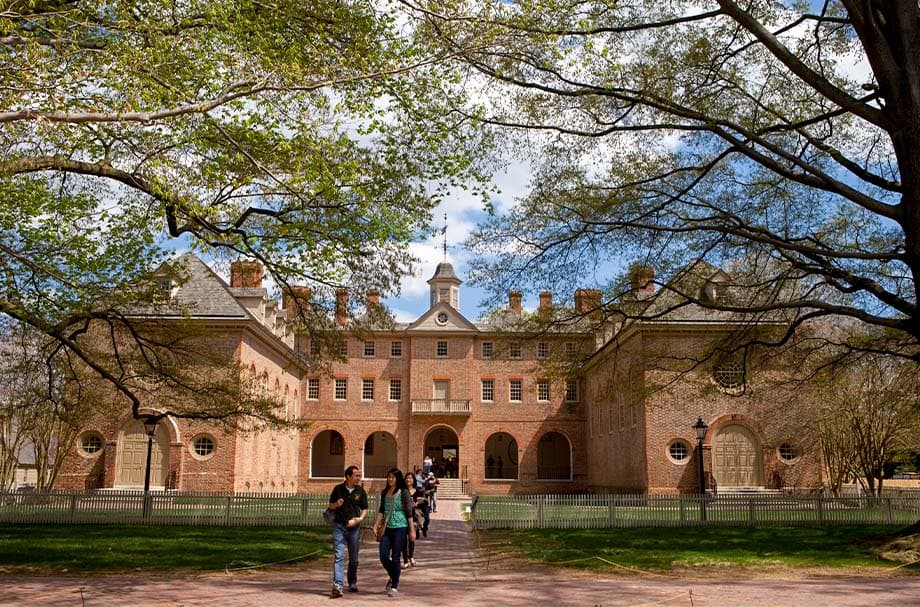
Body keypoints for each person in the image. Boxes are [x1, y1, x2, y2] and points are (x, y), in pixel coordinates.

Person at [372, 467, 415, 597]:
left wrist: (411, 530)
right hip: (386, 528)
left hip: (400, 528)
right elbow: (381, 510)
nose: (390, 479)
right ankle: (393, 574)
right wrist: (376, 525)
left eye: (393, 477)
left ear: (397, 479)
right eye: (389, 477)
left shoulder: (403, 492)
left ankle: (394, 585)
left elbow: (409, 512)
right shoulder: (385, 492)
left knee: (396, 557)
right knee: (383, 556)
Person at [328, 465, 368, 598]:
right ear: (348, 476)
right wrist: (336, 505)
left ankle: (352, 582)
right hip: (340, 526)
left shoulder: (360, 491)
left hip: (354, 528)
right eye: (356, 475)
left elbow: (365, 508)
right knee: (339, 556)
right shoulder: (338, 489)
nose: (359, 478)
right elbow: (330, 505)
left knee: (354, 558)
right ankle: (338, 585)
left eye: (359, 475)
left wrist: (359, 519)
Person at [401, 472, 419, 567]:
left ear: (413, 480)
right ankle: (405, 560)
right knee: (403, 539)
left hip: (414, 517)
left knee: (412, 538)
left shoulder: (417, 491)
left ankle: (411, 556)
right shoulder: (402, 491)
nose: (408, 480)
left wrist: (416, 504)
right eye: (407, 478)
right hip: (403, 517)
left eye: (410, 478)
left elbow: (423, 502)